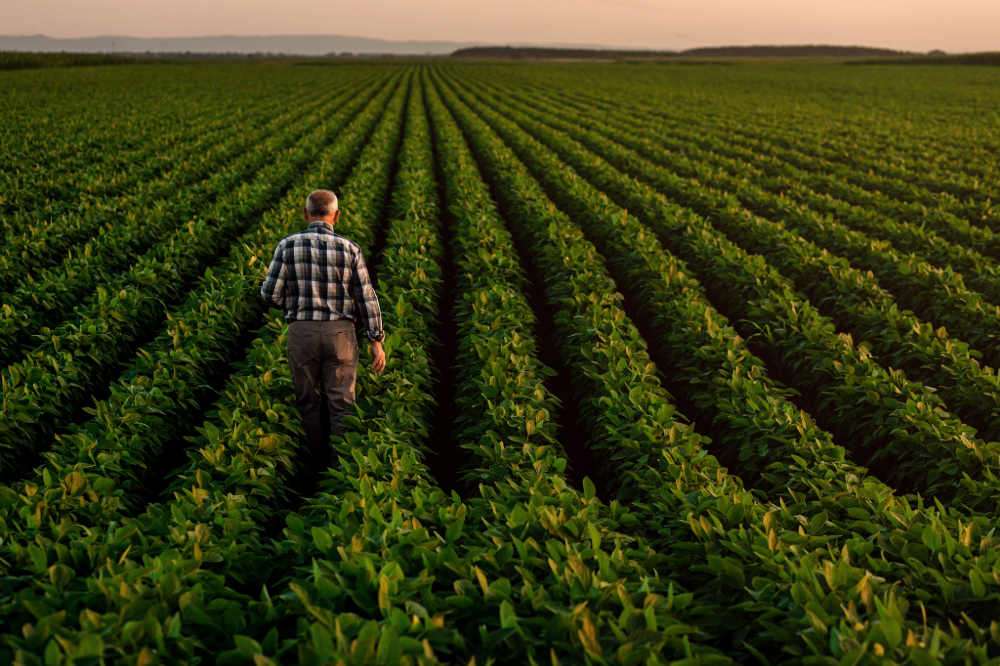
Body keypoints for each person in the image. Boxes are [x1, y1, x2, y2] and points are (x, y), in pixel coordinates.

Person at [261, 190, 386, 476]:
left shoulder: (286, 246)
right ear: (336, 215)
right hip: (340, 333)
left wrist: (290, 301)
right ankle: (340, 470)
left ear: (305, 214)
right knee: (342, 404)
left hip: (302, 330)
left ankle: (312, 469)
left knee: (307, 403)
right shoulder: (349, 249)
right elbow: (367, 298)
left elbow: (269, 294)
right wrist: (375, 339)